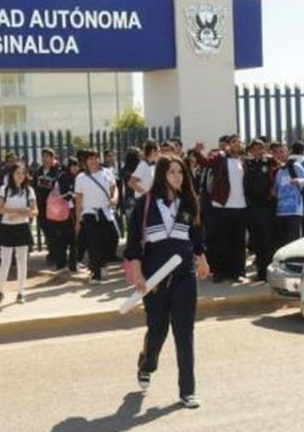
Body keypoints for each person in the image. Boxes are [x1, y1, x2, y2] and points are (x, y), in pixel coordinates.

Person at [126, 155, 211, 409]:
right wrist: (139, 274)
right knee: (158, 331)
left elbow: (196, 236)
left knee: (184, 333)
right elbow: (133, 244)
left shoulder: (188, 203)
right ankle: (147, 362)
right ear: (162, 174)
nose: (178, 177)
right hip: (155, 280)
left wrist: (202, 259)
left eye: (181, 172)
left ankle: (187, 391)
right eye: (173, 172)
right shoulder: (145, 205)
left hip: (185, 276)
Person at [195, 135, 248, 282]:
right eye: (233, 142)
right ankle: (219, 272)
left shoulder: (245, 161)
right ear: (228, 145)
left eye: (238, 142)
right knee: (221, 241)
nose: (236, 144)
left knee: (238, 242)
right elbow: (205, 162)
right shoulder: (221, 157)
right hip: (222, 206)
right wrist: (198, 152)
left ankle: (238, 272)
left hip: (240, 206)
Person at [0, 163, 38, 304]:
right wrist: (14, 212)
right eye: (17, 173)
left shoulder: (28, 190)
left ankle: (21, 292)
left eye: (22, 173)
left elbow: (35, 211)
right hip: (7, 227)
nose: (20, 176)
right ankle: (0, 291)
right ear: (11, 174)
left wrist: (20, 213)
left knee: (22, 261)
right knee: (5, 261)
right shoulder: (4, 189)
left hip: (22, 227)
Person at [74, 150, 118, 284]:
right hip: (89, 213)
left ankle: (102, 264)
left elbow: (114, 188)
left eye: (95, 158)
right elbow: (79, 200)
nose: (93, 161)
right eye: (90, 159)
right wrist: (78, 219)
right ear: (86, 162)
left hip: (105, 212)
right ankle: (95, 273)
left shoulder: (107, 173)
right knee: (94, 243)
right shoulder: (81, 178)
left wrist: (114, 198)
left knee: (108, 239)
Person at [272, 144, 304, 248]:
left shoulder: (295, 166)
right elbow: (277, 190)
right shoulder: (278, 171)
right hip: (281, 211)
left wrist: (298, 180)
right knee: (281, 242)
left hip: (295, 210)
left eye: (282, 152)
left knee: (293, 242)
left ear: (287, 153)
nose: (279, 155)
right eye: (277, 152)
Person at [243, 140, 273, 280]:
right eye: (254, 149)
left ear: (264, 149)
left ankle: (268, 272)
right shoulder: (248, 164)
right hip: (252, 207)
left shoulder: (270, 163)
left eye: (260, 148)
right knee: (257, 240)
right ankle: (260, 272)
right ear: (251, 151)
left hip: (267, 207)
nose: (257, 151)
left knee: (268, 240)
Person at [33, 148, 62, 266]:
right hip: (41, 206)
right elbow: (34, 187)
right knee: (46, 230)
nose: (45, 159)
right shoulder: (38, 172)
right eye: (43, 156)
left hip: (55, 206)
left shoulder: (58, 171)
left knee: (55, 230)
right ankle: (52, 253)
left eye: (48, 156)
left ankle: (57, 254)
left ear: (53, 158)